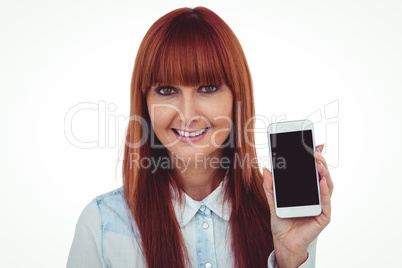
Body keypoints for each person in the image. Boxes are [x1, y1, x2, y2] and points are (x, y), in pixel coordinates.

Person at [67, 6, 333, 268]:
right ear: (144, 102)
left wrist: (289, 260)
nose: (186, 114)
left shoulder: (278, 216)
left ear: (235, 98)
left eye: (207, 88)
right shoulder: (103, 224)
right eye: (167, 90)